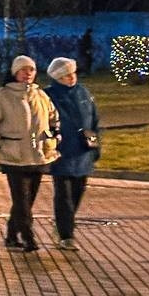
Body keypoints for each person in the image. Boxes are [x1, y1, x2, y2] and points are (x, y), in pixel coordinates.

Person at [0, 55, 60, 252]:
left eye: (31, 70)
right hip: (13, 156)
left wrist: (53, 136)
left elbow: (53, 118)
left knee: (27, 199)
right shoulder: (3, 96)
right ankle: (28, 237)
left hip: (38, 155)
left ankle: (11, 233)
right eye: (23, 70)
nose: (27, 73)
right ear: (14, 72)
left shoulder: (40, 95)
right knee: (21, 200)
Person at [44, 56, 100, 251]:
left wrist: (95, 146)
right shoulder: (48, 95)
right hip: (61, 152)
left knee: (77, 192)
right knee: (64, 195)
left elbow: (93, 120)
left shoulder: (83, 92)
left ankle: (63, 225)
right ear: (57, 77)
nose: (71, 78)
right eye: (66, 75)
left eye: (73, 73)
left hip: (82, 152)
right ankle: (66, 235)